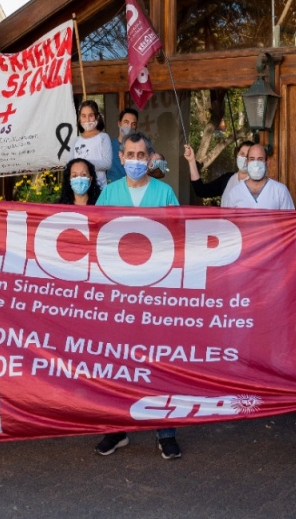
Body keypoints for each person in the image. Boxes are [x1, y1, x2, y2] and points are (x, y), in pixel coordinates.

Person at [94, 132, 181, 459]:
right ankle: (116, 429)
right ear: (120, 157)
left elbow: (179, 238)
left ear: (150, 158)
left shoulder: (164, 192)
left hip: (155, 293)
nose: (135, 161)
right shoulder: (109, 194)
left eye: (141, 155)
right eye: (129, 154)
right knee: (116, 363)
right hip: (117, 295)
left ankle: (165, 431)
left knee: (158, 361)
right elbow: (96, 238)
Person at [221, 143, 294, 210]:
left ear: (267, 163)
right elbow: (228, 222)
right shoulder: (235, 193)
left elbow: (290, 221)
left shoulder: (280, 191)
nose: (255, 164)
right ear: (247, 162)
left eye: (260, 159)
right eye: (252, 159)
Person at [183, 140, 253, 203]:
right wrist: (191, 160)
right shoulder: (227, 179)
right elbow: (201, 190)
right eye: (242, 154)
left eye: (248, 155)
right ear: (237, 155)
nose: (245, 158)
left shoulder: (258, 183)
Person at [71, 100, 113, 189]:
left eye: (91, 116)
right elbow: (70, 165)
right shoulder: (75, 141)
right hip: (79, 189)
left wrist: (83, 163)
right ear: (79, 118)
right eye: (83, 116)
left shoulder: (103, 137)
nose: (87, 120)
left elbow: (107, 163)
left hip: (99, 188)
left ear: (97, 117)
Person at [106, 107, 138, 183]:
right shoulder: (108, 146)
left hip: (134, 189)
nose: (129, 126)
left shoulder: (141, 147)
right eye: (126, 122)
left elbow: (159, 172)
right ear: (119, 124)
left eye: (133, 124)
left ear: (136, 127)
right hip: (113, 190)